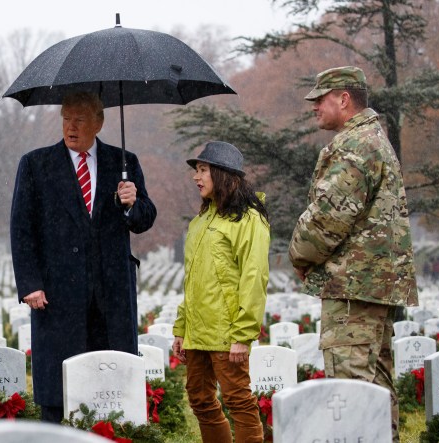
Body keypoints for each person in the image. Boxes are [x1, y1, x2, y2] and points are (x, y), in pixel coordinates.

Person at [10, 91, 157, 423]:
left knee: (112, 386)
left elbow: (145, 219)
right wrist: (30, 283)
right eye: (65, 118)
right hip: (57, 295)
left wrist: (133, 202)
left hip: (111, 296)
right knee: (57, 392)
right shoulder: (36, 164)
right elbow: (21, 228)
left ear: (99, 122)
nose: (70, 126)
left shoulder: (123, 163)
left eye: (79, 119)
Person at [289, 66, 418, 442]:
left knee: (350, 390)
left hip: (352, 288)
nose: (314, 106)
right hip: (372, 288)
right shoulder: (374, 138)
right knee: (375, 388)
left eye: (320, 98)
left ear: (344, 99)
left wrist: (300, 255)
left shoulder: (355, 145)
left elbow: (329, 216)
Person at [172, 141, 269, 443]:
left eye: (203, 170)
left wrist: (243, 334)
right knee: (199, 399)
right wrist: (181, 328)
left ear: (223, 174)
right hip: (197, 331)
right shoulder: (200, 221)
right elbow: (193, 281)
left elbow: (254, 278)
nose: (196, 177)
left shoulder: (249, 219)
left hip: (227, 332)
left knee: (238, 401)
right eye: (196, 170)